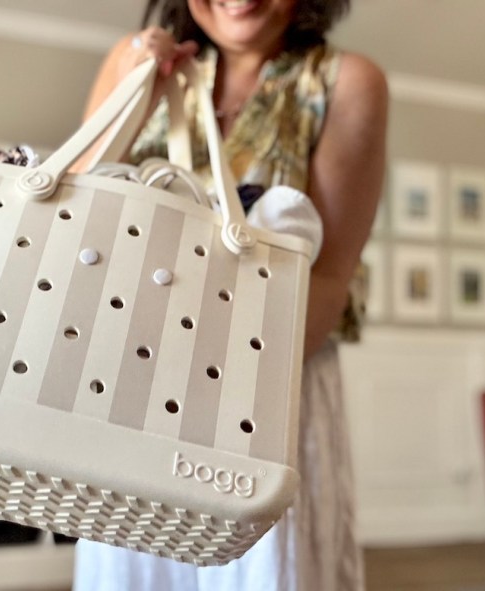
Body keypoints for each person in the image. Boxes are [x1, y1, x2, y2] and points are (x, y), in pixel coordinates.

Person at [72, 0, 388, 590]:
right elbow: (78, 222)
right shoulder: (131, 60)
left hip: (269, 387)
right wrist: (138, 89)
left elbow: (326, 278)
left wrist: (214, 387)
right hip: (129, 384)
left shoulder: (345, 83)